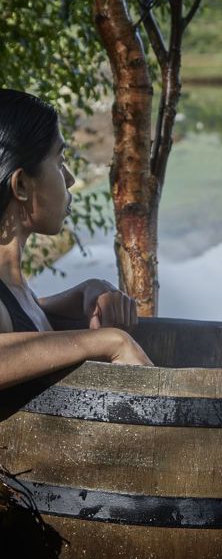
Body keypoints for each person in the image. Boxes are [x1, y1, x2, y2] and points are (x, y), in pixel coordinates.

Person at [0, 88, 153, 389]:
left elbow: (22, 317)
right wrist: (109, 341)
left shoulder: (15, 290)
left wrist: (84, 291)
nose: (69, 178)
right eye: (59, 161)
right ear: (20, 187)